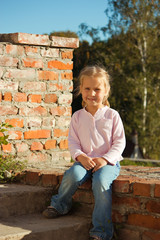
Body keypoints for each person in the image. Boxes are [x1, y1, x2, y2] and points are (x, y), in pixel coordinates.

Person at [43, 65, 126, 240]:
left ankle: (101, 232)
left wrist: (105, 159)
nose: (92, 93)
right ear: (80, 89)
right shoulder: (77, 117)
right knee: (73, 173)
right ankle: (60, 204)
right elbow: (73, 142)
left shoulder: (112, 115)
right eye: (87, 88)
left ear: (106, 91)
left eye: (97, 89)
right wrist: (80, 156)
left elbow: (120, 143)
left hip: (108, 163)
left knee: (101, 182)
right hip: (84, 161)